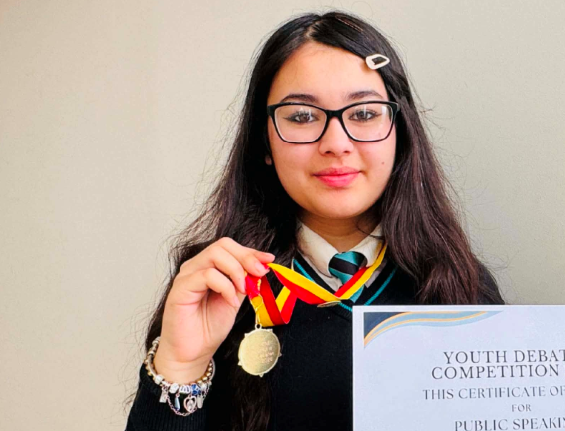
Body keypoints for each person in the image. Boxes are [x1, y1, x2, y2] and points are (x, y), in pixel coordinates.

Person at [125, 10, 504, 431]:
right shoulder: (215, 287)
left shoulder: (460, 286)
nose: (336, 144)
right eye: (302, 116)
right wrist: (180, 364)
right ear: (263, 141)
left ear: (401, 132)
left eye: (364, 114)